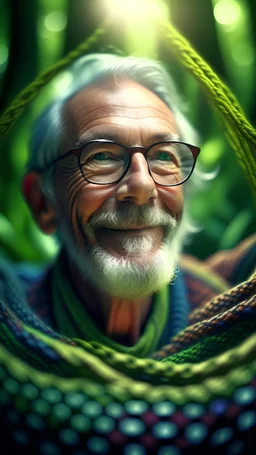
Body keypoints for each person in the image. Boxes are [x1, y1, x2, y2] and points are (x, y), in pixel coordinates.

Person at [0, 53, 255, 453]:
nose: (142, 186)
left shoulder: (231, 307)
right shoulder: (9, 314)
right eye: (101, 155)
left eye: (164, 156)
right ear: (42, 203)